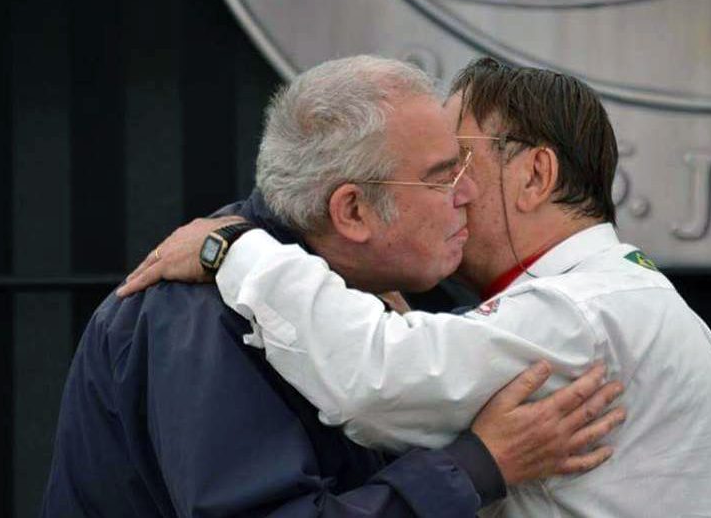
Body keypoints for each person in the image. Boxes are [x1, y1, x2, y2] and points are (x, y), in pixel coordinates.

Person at [123, 58, 711, 517]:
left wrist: (233, 250)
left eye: (457, 164)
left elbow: (373, 380)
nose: (453, 194)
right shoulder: (618, 294)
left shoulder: (580, 312)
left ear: (535, 176)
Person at [41, 56, 626, 517]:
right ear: (352, 212)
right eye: (443, 176)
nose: (467, 193)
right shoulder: (201, 316)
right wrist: (480, 465)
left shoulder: (367, 283)